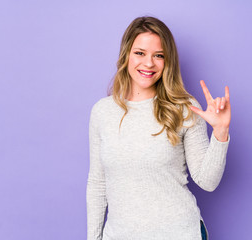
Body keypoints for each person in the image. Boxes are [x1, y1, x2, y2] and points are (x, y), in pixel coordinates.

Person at [86, 16, 231, 240]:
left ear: (168, 61)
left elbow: (207, 181)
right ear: (126, 55)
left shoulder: (185, 108)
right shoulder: (102, 112)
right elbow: (97, 184)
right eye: (140, 53)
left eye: (159, 55)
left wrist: (220, 133)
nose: (149, 63)